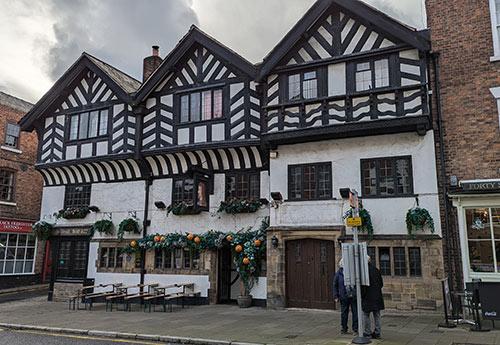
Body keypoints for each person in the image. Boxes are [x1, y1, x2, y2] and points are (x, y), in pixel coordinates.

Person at [361, 256, 384, 339]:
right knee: (377, 315)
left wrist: (362, 295)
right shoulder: (376, 270)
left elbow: (363, 286)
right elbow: (381, 284)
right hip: (377, 296)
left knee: (365, 314)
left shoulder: (364, 271)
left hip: (367, 297)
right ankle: (377, 333)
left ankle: (367, 332)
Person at [333, 259, 358, 334]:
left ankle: (355, 329)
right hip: (344, 296)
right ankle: (344, 328)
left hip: (353, 296)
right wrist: (336, 296)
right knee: (344, 313)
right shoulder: (338, 274)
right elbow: (335, 285)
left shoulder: (353, 272)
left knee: (355, 312)